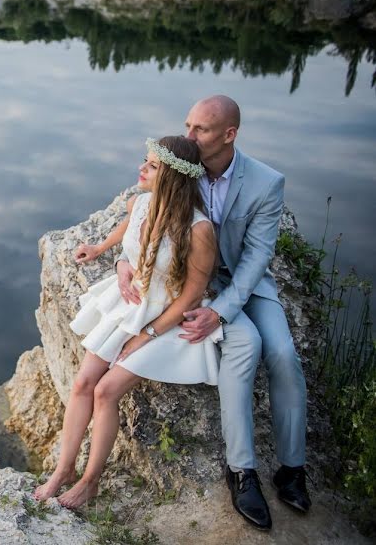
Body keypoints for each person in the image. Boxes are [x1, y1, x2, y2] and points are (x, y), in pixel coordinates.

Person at [117, 96, 310, 531]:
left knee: (282, 354)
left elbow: (257, 256)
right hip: (191, 284)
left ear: (229, 135)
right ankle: (241, 471)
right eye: (188, 125)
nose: (189, 137)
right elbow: (138, 209)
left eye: (200, 130)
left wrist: (220, 312)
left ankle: (293, 469)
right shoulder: (180, 164)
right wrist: (122, 262)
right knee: (247, 348)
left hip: (245, 285)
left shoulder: (266, 182)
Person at [33, 136, 221, 509]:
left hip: (166, 319)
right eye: (145, 161)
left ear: (172, 176)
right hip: (131, 306)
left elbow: (192, 295)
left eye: (152, 166)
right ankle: (63, 469)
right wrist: (107, 253)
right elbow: (126, 234)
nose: (142, 169)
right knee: (84, 382)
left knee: (105, 391)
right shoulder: (140, 203)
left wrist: (146, 334)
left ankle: (90, 481)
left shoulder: (198, 230)